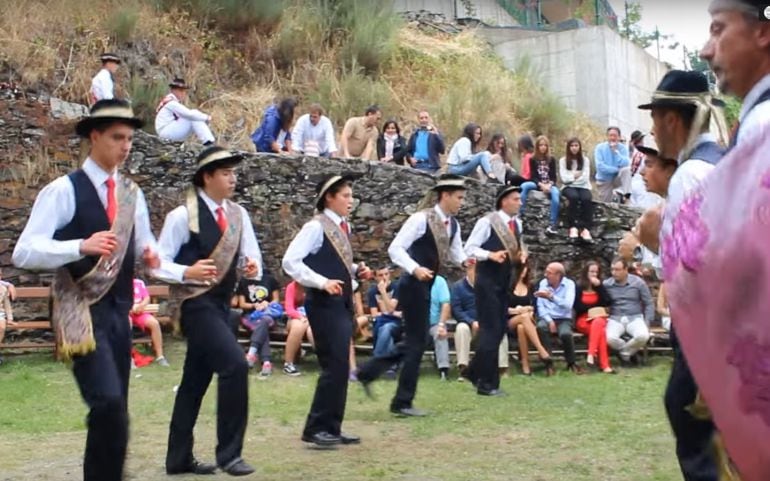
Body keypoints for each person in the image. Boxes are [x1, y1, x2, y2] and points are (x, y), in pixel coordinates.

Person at [12, 99, 162, 481]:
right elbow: (24, 251)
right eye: (117, 137)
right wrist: (79, 245)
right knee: (108, 403)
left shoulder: (132, 194)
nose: (125, 146)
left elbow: (147, 245)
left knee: (117, 409)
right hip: (79, 312)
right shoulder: (62, 190)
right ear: (93, 137)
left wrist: (157, 257)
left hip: (119, 313)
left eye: (129, 138)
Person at [636, 69, 729, 481]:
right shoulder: (721, 164)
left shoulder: (690, 175)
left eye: (654, 120)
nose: (653, 131)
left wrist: (654, 242)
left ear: (670, 119)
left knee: (696, 433)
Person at [156, 145, 262, 476]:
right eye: (226, 173)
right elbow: (156, 263)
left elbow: (250, 260)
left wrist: (251, 269)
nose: (233, 179)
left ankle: (178, 459)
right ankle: (229, 454)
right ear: (207, 177)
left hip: (222, 306)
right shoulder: (180, 216)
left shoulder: (238, 215)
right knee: (234, 366)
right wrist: (186, 272)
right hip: (195, 306)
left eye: (234, 173)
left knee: (194, 381)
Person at [357, 174, 469, 416]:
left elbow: (456, 252)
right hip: (411, 284)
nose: (462, 202)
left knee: (415, 342)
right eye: (459, 198)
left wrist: (466, 261)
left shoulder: (454, 225)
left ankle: (368, 372)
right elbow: (395, 248)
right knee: (416, 344)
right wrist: (414, 268)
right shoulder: (420, 219)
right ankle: (401, 402)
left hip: (426, 287)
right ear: (445, 195)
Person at [282, 174, 371, 448]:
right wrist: (321, 282)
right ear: (328, 197)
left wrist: (356, 273)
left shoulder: (343, 226)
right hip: (323, 304)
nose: (350, 200)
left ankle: (332, 426)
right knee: (333, 365)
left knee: (341, 365)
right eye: (345, 195)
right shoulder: (315, 227)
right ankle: (316, 427)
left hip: (339, 303)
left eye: (351, 195)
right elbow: (290, 261)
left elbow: (335, 264)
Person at [464, 185, 525, 396]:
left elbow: (516, 251)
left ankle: (475, 372)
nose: (520, 202)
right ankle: (487, 384)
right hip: (487, 282)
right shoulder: (488, 222)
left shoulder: (517, 224)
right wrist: (490, 255)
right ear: (504, 201)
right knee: (491, 331)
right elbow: (469, 248)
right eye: (516, 199)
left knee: (499, 331)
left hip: (503, 284)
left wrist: (520, 257)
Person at [603, 258, 653, 365]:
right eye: (612, 270)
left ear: (626, 270)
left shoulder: (638, 283)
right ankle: (631, 353)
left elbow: (648, 303)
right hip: (615, 318)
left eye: (617, 270)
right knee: (609, 338)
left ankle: (624, 354)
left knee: (643, 336)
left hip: (634, 317)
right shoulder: (606, 284)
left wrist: (647, 321)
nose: (614, 273)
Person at [535, 262, 583, 374]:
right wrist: (549, 321)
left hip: (564, 318)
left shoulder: (569, 284)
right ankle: (548, 362)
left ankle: (571, 362)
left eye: (549, 273)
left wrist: (551, 297)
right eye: (546, 272)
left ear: (558, 275)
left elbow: (568, 305)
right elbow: (540, 306)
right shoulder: (543, 283)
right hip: (547, 317)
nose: (545, 275)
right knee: (541, 327)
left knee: (565, 334)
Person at [507, 259, 553, 376]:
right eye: (521, 269)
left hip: (526, 321)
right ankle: (541, 350)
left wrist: (529, 309)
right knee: (523, 317)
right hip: (508, 321)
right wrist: (517, 310)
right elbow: (502, 308)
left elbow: (535, 306)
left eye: (525, 269)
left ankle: (525, 365)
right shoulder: (507, 287)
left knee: (522, 327)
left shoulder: (530, 286)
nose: (523, 272)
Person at [237, 271, 280, 377]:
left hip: (268, 314)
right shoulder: (243, 281)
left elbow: (276, 300)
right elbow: (242, 304)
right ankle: (266, 363)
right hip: (250, 316)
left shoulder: (269, 279)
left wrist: (267, 304)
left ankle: (251, 353)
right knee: (262, 328)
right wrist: (254, 305)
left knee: (264, 321)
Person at [574, 262, 614, 374]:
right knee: (600, 330)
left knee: (599, 324)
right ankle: (604, 365)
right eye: (592, 272)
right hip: (583, 319)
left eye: (596, 272)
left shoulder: (599, 287)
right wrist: (592, 308)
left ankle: (591, 355)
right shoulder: (579, 287)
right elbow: (577, 306)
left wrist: (599, 287)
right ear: (586, 273)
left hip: (598, 319)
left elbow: (607, 302)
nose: (594, 274)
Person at [155, 78, 215, 145]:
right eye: (180, 90)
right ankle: (209, 143)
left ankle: (208, 142)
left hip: (167, 130)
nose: (183, 93)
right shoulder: (171, 102)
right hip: (166, 132)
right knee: (194, 115)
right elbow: (189, 114)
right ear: (173, 90)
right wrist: (208, 118)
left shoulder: (169, 100)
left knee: (195, 117)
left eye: (183, 91)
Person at [520, 135, 560, 235]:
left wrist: (549, 185)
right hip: (537, 183)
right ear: (537, 146)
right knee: (524, 186)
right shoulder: (532, 159)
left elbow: (554, 177)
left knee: (556, 196)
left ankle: (552, 224)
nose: (543, 147)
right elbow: (533, 176)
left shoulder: (551, 159)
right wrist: (541, 185)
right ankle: (519, 216)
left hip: (550, 184)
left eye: (545, 145)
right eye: (541, 145)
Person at [367, 267, 401, 378]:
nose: (384, 277)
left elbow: (390, 309)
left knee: (387, 328)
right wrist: (390, 312)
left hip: (398, 324)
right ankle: (391, 367)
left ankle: (376, 361)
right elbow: (374, 314)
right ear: (376, 277)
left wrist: (383, 292)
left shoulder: (397, 287)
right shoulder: (372, 292)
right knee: (385, 329)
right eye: (381, 275)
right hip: (380, 323)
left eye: (386, 274)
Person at [559, 137, 594, 241]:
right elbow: (564, 178)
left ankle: (585, 228)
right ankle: (573, 226)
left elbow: (585, 177)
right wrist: (574, 176)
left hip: (583, 186)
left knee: (586, 199)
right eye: (572, 146)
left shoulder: (585, 160)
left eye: (576, 146)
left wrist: (571, 177)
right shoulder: (563, 160)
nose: (574, 148)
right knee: (573, 197)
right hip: (568, 187)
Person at [130, 278, 169, 366]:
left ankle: (160, 356)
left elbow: (146, 297)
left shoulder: (139, 282)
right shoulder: (118, 283)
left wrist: (142, 305)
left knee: (154, 323)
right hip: (125, 313)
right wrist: (129, 308)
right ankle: (129, 358)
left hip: (141, 313)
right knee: (126, 323)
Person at [282, 280, 314, 376]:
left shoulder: (316, 285)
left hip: (313, 318)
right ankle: (288, 364)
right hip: (295, 317)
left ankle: (328, 362)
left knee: (311, 331)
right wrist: (301, 317)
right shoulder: (291, 287)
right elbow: (289, 309)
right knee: (298, 325)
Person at [594, 126, 632, 203]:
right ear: (607, 136)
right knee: (605, 205)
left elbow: (626, 163)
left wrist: (616, 152)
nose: (612, 138)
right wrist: (616, 169)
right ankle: (616, 195)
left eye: (615, 135)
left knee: (627, 170)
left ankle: (626, 195)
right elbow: (600, 167)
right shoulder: (600, 148)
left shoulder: (623, 148)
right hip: (605, 180)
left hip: (618, 178)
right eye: (610, 135)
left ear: (619, 137)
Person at [427, 274, 452, 380]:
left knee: (440, 333)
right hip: (417, 323)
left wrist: (441, 325)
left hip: (434, 323)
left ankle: (443, 370)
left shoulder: (439, 281)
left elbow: (446, 304)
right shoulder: (412, 280)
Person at [0, 271, 15, 365]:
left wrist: (10, 319)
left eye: (0, 275)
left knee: (1, 327)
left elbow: (7, 305)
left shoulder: (3, 288)